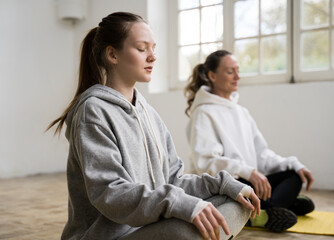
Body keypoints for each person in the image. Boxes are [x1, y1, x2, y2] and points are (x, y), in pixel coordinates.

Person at [47, 13, 260, 240]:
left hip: (150, 227)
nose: (152, 57)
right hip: (110, 236)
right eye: (142, 49)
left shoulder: (148, 112)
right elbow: (110, 193)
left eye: (153, 48)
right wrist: (180, 204)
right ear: (112, 54)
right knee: (188, 231)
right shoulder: (93, 111)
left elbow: (174, 179)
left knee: (237, 201)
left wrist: (224, 183)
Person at [185, 50, 315, 232]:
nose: (238, 77)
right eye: (230, 72)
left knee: (293, 175)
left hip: (249, 183)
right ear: (212, 75)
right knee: (244, 186)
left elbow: (261, 154)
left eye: (238, 71)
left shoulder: (242, 112)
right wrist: (248, 172)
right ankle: (275, 208)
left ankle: (267, 209)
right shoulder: (203, 113)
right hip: (224, 186)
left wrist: (294, 164)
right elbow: (206, 164)